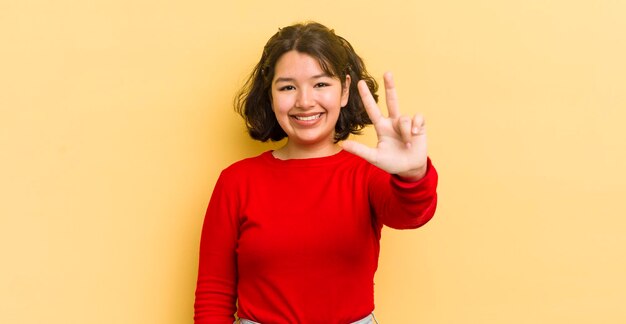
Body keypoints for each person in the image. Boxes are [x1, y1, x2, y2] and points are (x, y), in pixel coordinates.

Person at [194, 21, 438, 324]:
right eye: (287, 87)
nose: (305, 101)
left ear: (345, 90)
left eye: (321, 84)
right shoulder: (237, 181)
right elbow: (213, 292)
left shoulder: (368, 174)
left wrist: (413, 174)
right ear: (270, 95)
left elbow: (411, 214)